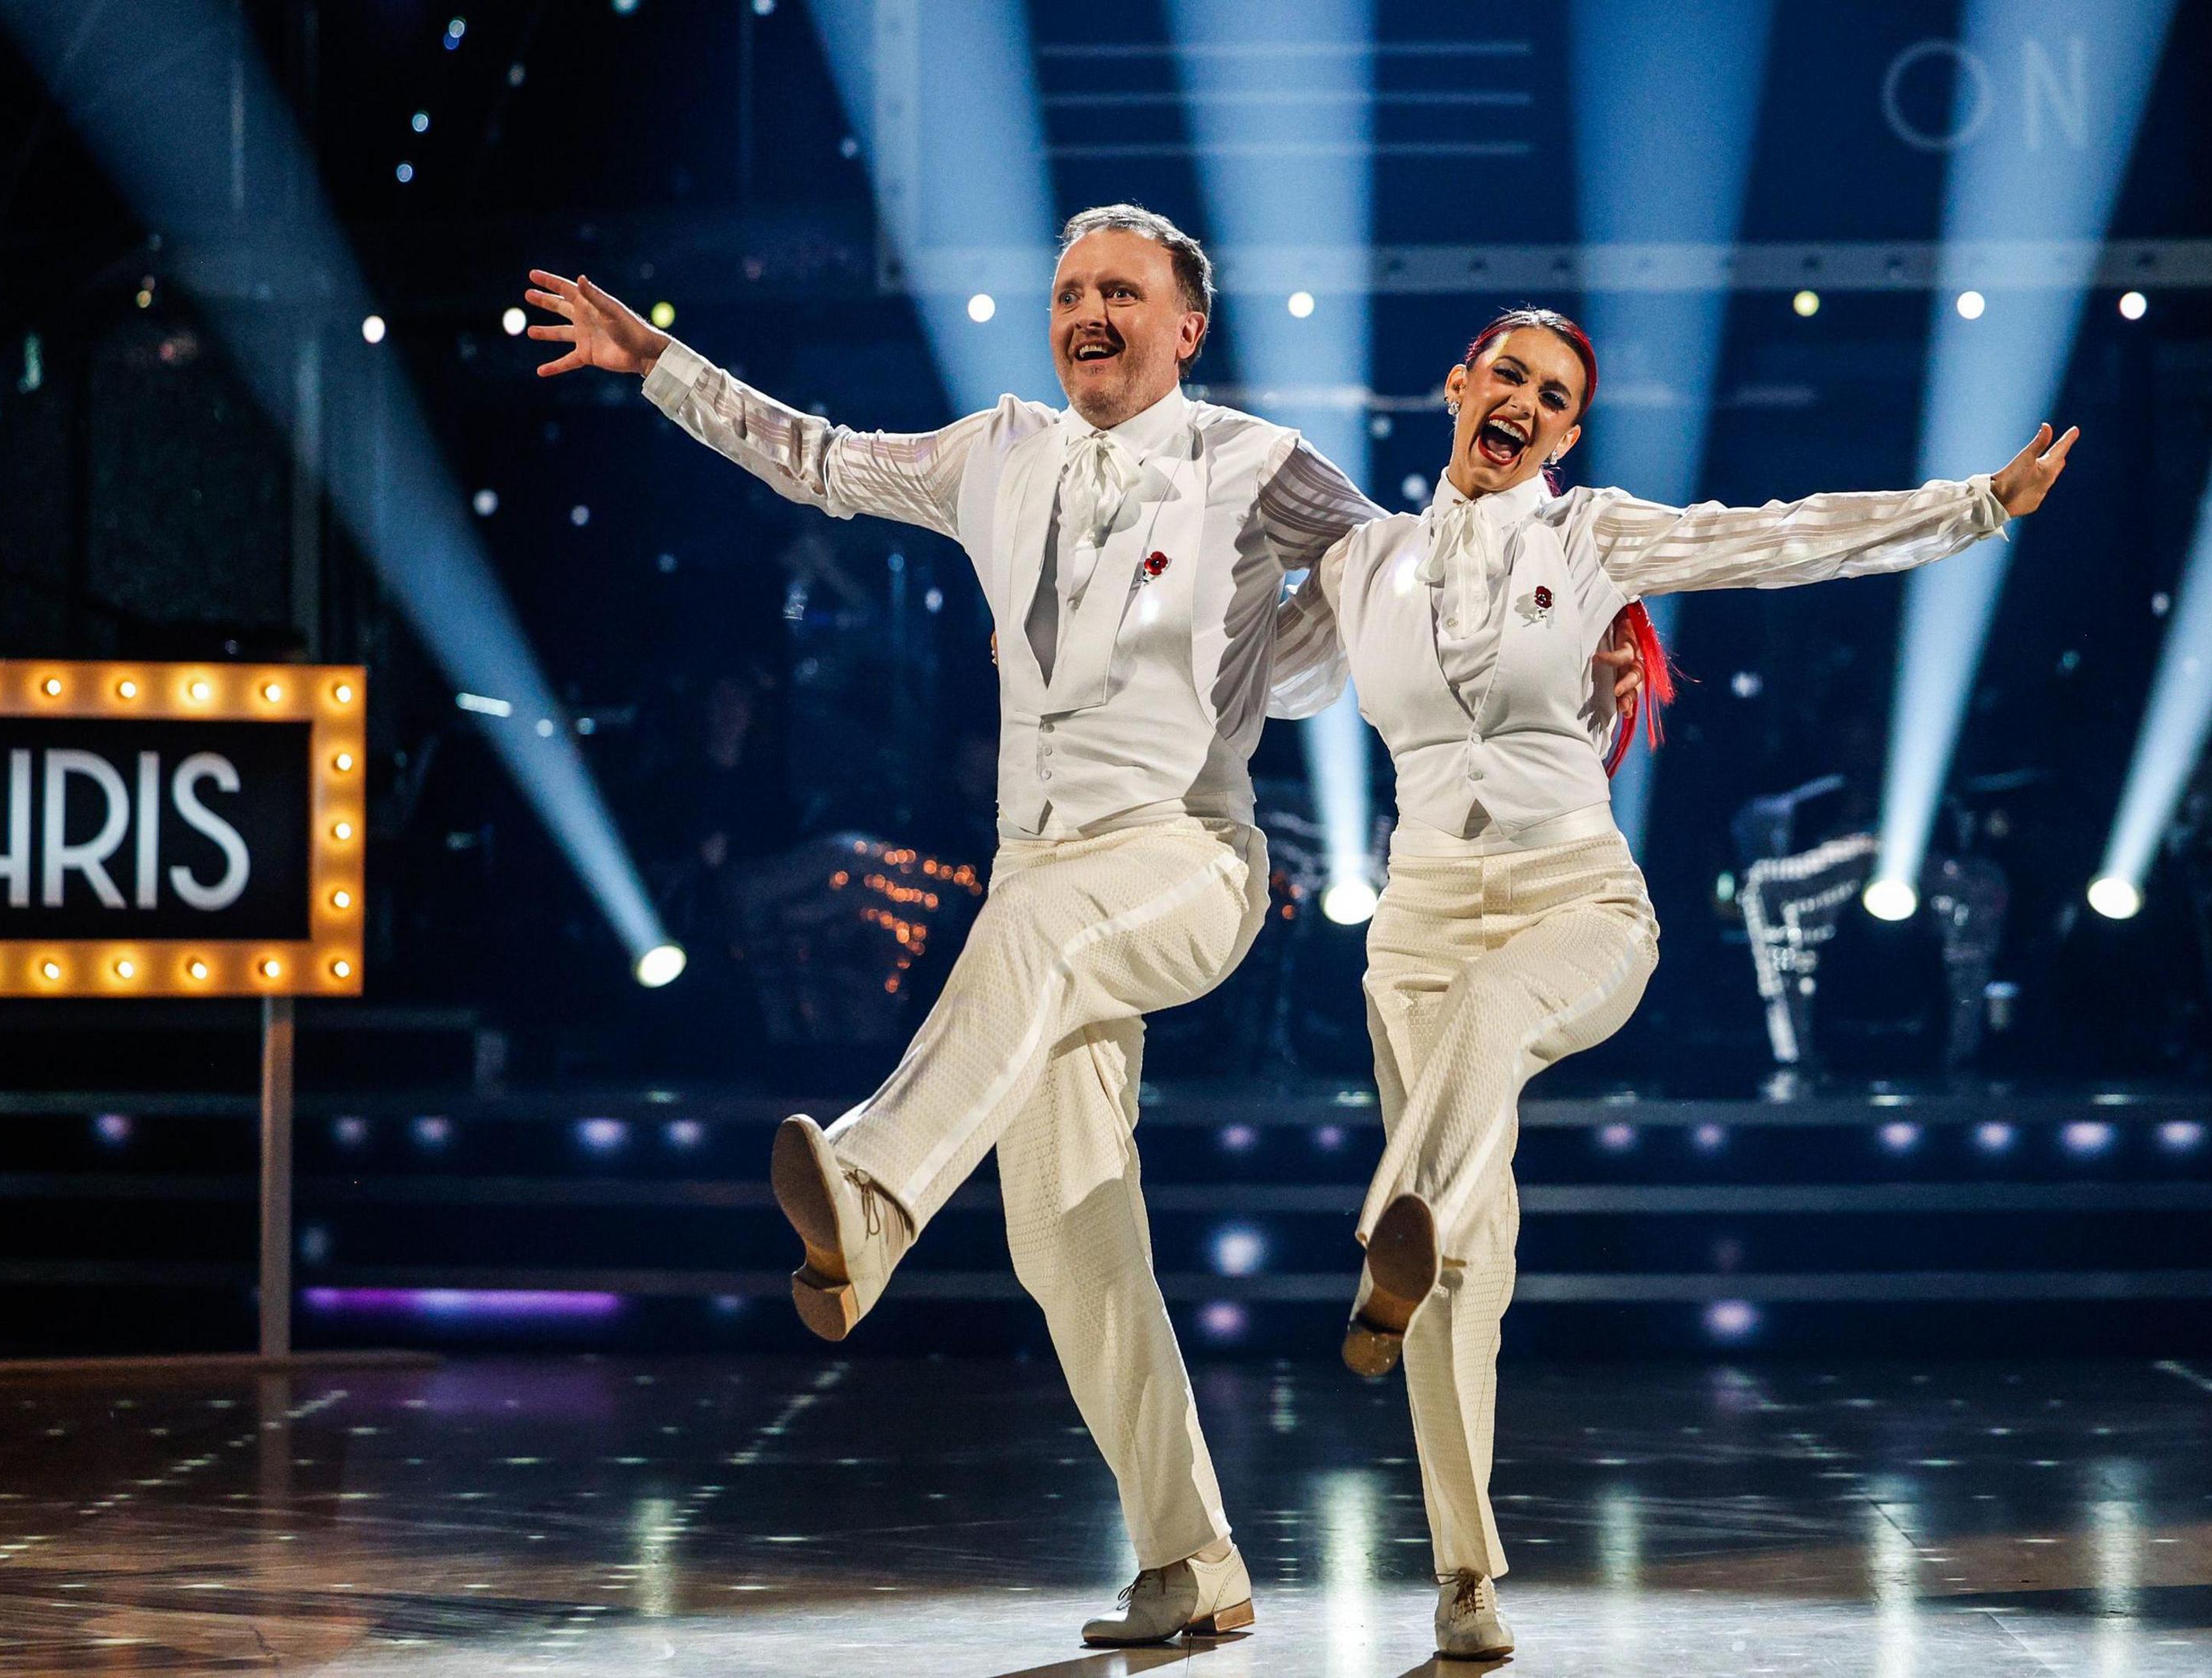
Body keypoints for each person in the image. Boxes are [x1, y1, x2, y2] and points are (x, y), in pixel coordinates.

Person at [519, 213, 1640, 1648]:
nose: (1089, 310)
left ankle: (872, 1189)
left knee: (1035, 932)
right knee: (1064, 1234)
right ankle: (1191, 1559)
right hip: (1042, 873)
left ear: (1187, 328)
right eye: (1069, 293)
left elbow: (1415, 584)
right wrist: (653, 360)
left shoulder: (1259, 464)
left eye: (1123, 291)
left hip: (1188, 861)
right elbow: (815, 456)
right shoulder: (997, 451)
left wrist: (1585, 669)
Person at [1275, 306, 2074, 1660]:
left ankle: (1393, 1214)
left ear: (1568, 435)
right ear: (1456, 385)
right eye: (1507, 375)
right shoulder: (1366, 560)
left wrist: (1975, 508)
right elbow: (1250, 684)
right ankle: (1467, 1574)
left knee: (1492, 1023)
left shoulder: (1591, 537)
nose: (1523, 399)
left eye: (1555, 393)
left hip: (1576, 904)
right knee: (1466, 1276)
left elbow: (1781, 537)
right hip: (1415, 923)